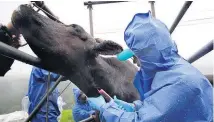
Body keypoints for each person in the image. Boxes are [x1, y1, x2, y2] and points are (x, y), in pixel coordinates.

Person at [97, 11, 213, 122]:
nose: (136, 63)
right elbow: (158, 105)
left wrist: (108, 110)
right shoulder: (173, 72)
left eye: (137, 57)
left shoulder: (179, 84)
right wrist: (133, 107)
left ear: (150, 55)